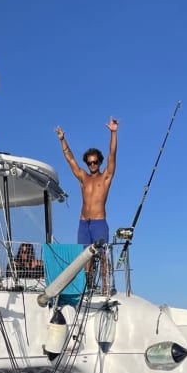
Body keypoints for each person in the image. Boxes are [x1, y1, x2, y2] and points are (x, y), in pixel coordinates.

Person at [55, 117, 119, 294]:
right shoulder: (83, 178)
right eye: (89, 162)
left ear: (99, 162)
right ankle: (87, 287)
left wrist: (114, 132)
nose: (92, 165)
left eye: (95, 162)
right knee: (84, 258)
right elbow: (70, 159)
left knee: (103, 255)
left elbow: (112, 155)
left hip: (99, 222)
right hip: (84, 223)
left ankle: (106, 287)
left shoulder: (105, 177)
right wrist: (62, 139)